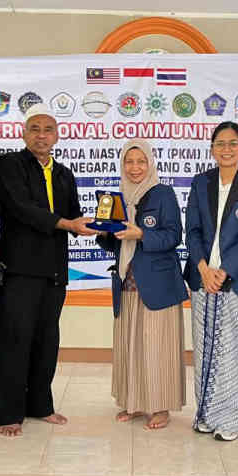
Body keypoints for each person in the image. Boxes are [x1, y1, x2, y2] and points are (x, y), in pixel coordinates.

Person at [0, 103, 98, 437]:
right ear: (24, 134)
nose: (41, 135)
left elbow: (74, 216)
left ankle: (40, 405)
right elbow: (21, 208)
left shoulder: (64, 173)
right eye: (35, 129)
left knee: (47, 341)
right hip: (20, 270)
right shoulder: (9, 164)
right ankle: (10, 413)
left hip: (54, 271)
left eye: (48, 129)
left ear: (57, 135)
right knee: (15, 340)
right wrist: (67, 223)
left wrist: (102, 224)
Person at [183, 121, 238, 442]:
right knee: (205, 348)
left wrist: (224, 271)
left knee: (235, 351)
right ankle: (206, 415)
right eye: (220, 143)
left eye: (233, 143)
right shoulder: (200, 182)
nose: (227, 149)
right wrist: (204, 268)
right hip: (203, 278)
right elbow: (192, 230)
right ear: (211, 149)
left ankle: (231, 420)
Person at [95, 139, 188, 430]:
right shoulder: (118, 196)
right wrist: (104, 232)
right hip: (127, 282)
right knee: (130, 345)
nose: (134, 168)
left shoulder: (163, 193)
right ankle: (134, 401)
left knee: (158, 347)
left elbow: (174, 236)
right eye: (129, 162)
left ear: (150, 163)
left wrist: (141, 235)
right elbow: (113, 244)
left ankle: (160, 407)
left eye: (141, 161)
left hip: (157, 283)